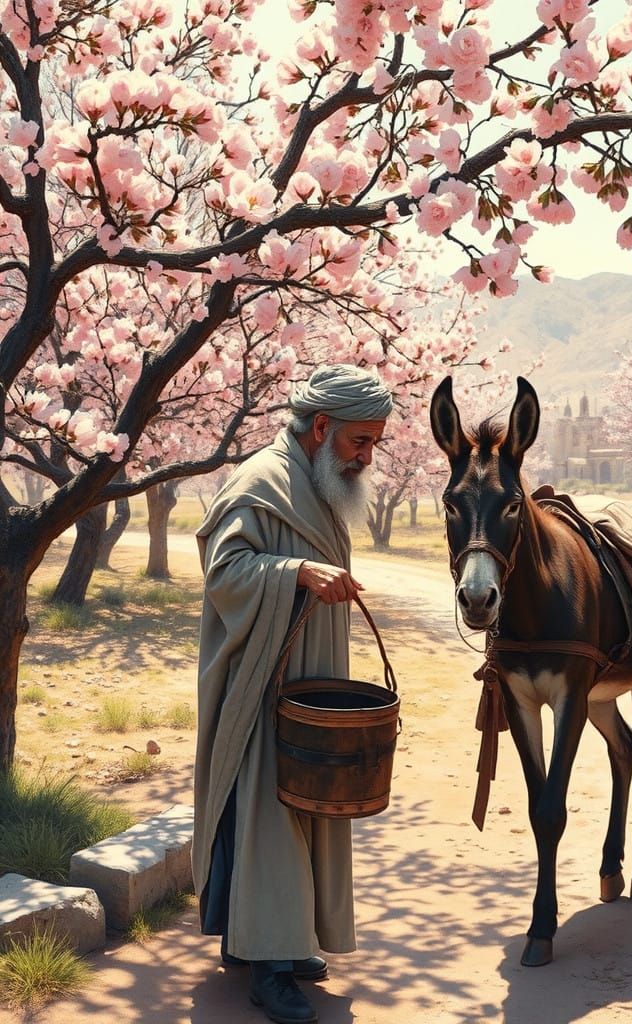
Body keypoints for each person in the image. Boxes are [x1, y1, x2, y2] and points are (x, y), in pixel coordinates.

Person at [192, 364, 393, 1024]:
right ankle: (268, 966)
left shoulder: (319, 482)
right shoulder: (261, 482)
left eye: (375, 444)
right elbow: (225, 573)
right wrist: (297, 571)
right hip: (264, 687)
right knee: (271, 814)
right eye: (360, 442)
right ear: (322, 427)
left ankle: (285, 937)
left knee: (311, 804)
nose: (367, 456)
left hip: (311, 684)